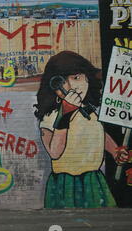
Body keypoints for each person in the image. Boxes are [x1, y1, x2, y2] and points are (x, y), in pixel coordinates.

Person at [34, 51, 129, 209]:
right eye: (63, 82)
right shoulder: (51, 117)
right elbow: (55, 152)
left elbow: (97, 133)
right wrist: (65, 115)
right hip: (67, 184)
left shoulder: (90, 112)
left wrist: (115, 151)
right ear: (55, 87)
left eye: (77, 78)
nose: (72, 87)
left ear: (87, 78)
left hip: (94, 180)